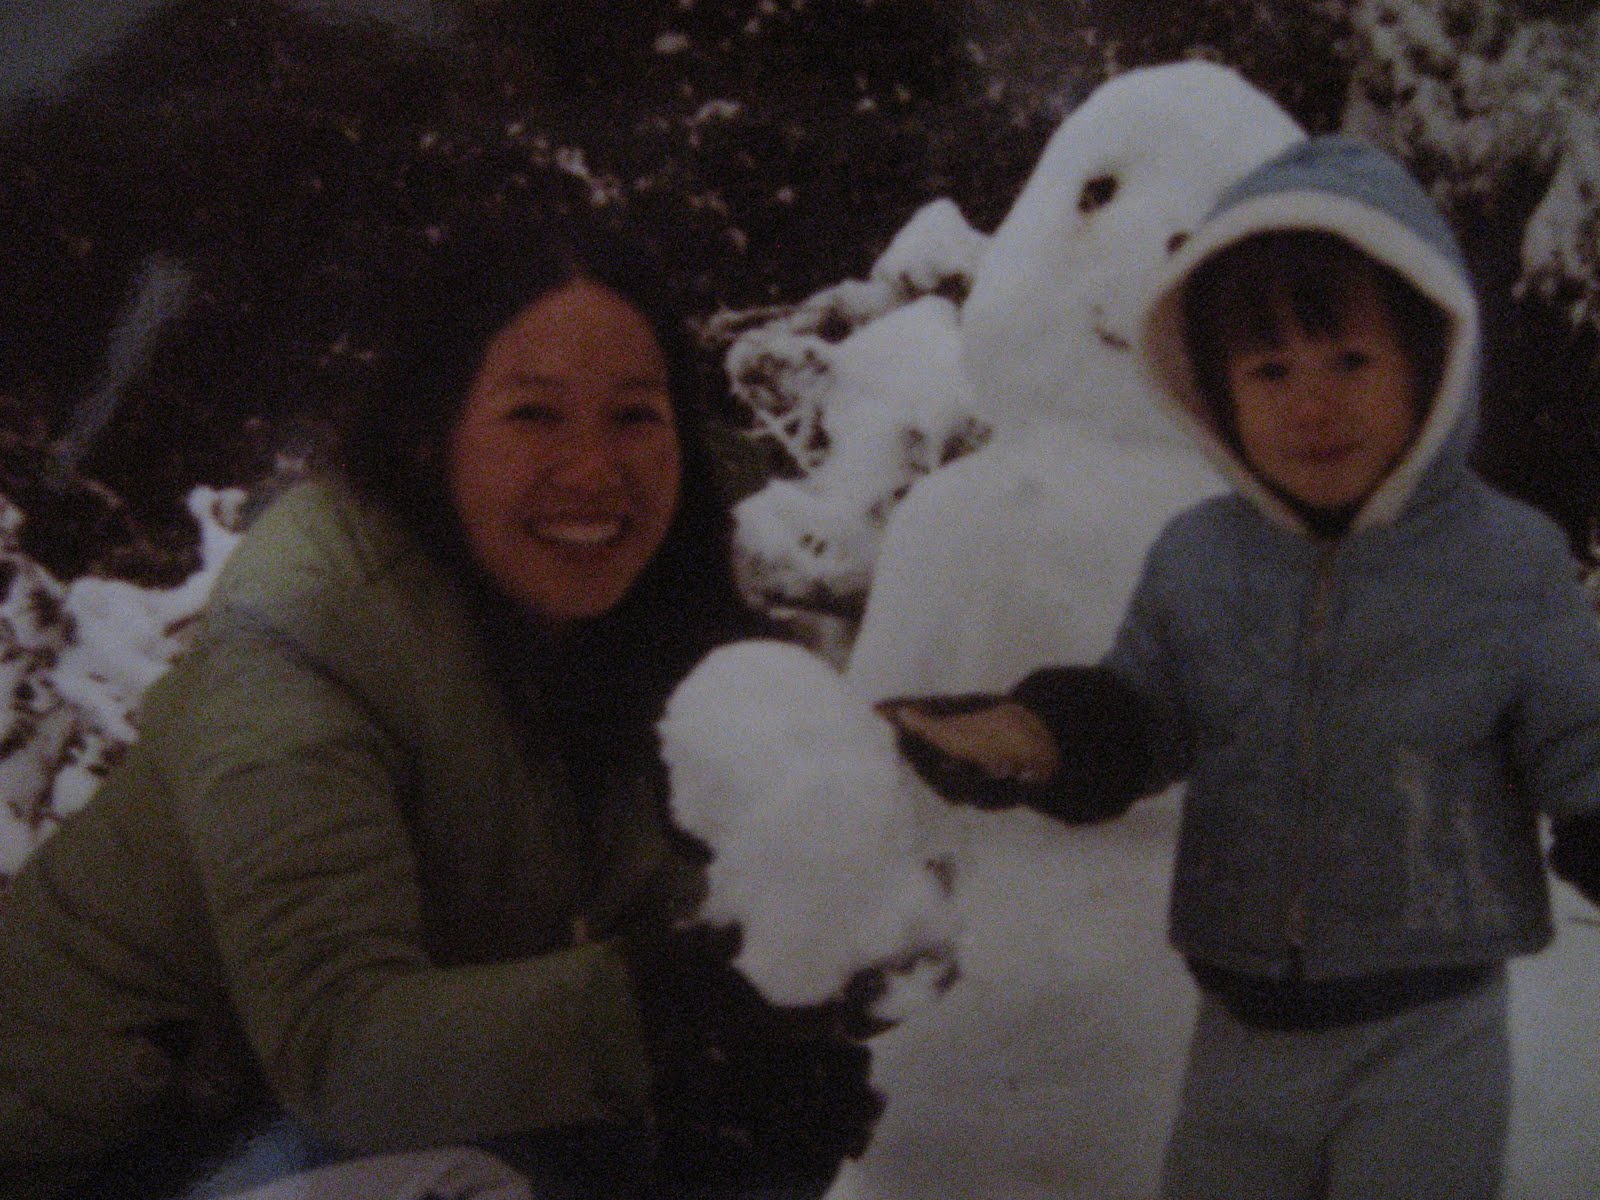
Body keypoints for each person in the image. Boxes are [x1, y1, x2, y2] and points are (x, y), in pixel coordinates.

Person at [0, 216, 880, 1199]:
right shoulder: (301, 631)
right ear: (429, 435)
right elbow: (338, 1047)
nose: (595, 469)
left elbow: (677, 908)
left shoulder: (627, 620)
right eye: (534, 415)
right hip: (94, 1163)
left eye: (635, 416)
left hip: (287, 1128)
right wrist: (679, 1012)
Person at [878, 135, 1600, 1200]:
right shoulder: (1198, 560)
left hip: (1430, 1032)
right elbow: (1141, 711)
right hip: (1240, 1027)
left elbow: (1582, 739)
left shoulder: (1507, 563)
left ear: (1432, 364)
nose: (1310, 404)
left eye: (1348, 361)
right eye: (1269, 371)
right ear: (1213, 390)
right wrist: (1041, 735)